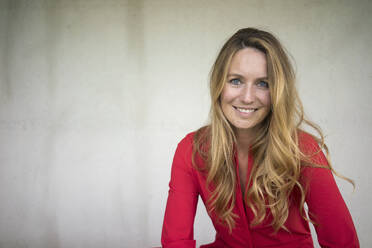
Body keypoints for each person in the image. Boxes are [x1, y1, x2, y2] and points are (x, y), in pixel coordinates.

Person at [161, 28, 359, 248]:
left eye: (263, 84)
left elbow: (343, 243)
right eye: (236, 81)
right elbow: (176, 241)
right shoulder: (192, 149)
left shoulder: (302, 148)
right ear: (219, 84)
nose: (247, 97)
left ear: (278, 91)